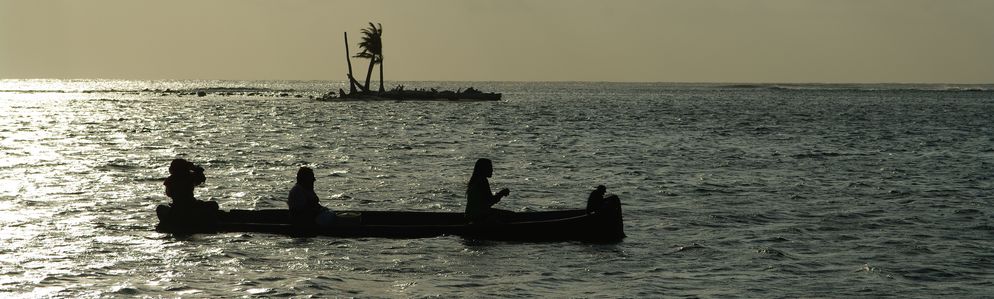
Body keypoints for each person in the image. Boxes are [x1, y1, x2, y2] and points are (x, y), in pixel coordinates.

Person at [161, 158, 218, 224]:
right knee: (213, 205)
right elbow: (201, 178)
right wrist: (193, 168)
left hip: (178, 207)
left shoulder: (170, 180)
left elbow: (169, 194)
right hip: (189, 205)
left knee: (161, 208)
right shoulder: (190, 177)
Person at [465, 158, 511, 223]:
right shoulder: (482, 181)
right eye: (490, 167)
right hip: (478, 216)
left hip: (470, 214)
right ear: (484, 169)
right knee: (511, 215)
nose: (492, 170)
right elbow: (489, 202)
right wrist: (501, 193)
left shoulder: (475, 180)